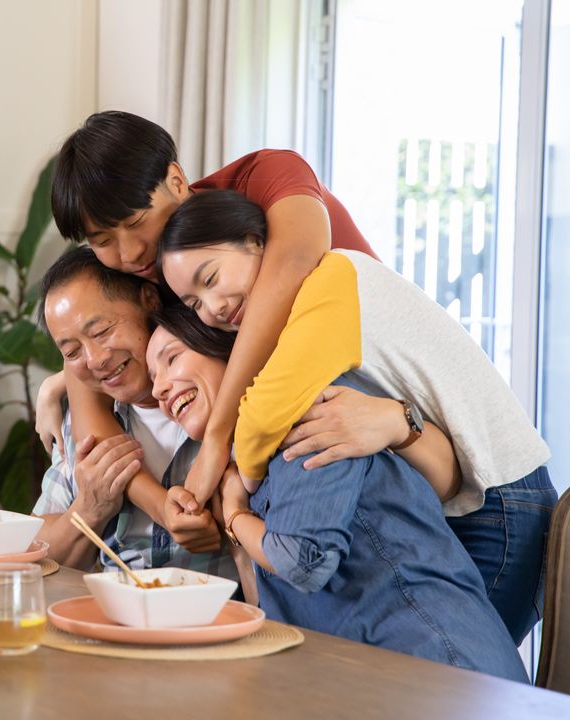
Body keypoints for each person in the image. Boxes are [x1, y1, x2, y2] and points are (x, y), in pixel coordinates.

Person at [156, 188, 556, 645]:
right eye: (194, 305)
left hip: (501, 506)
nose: (214, 308)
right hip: (480, 497)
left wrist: (234, 485)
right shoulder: (312, 304)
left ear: (254, 241)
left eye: (210, 278)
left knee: (455, 682)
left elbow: (264, 415)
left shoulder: (331, 279)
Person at [40, 110, 380, 537]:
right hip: (326, 448)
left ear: (177, 182)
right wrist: (162, 504)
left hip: (386, 389)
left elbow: (292, 268)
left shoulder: (265, 177)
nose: (128, 253)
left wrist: (218, 440)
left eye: (136, 223)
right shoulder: (156, 272)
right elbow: (90, 389)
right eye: (103, 241)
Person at [145, 311, 528, 682]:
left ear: (229, 350)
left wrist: (234, 515)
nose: (159, 388)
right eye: (152, 377)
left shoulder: (309, 413)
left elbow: (303, 561)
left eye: (171, 359)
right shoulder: (242, 467)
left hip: (442, 671)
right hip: (376, 678)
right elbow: (271, 615)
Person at [32, 247, 233, 577]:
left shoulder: (216, 396)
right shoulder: (82, 426)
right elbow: (36, 553)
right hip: (117, 618)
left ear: (150, 301)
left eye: (102, 332)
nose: (95, 359)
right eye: (71, 352)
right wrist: (90, 506)